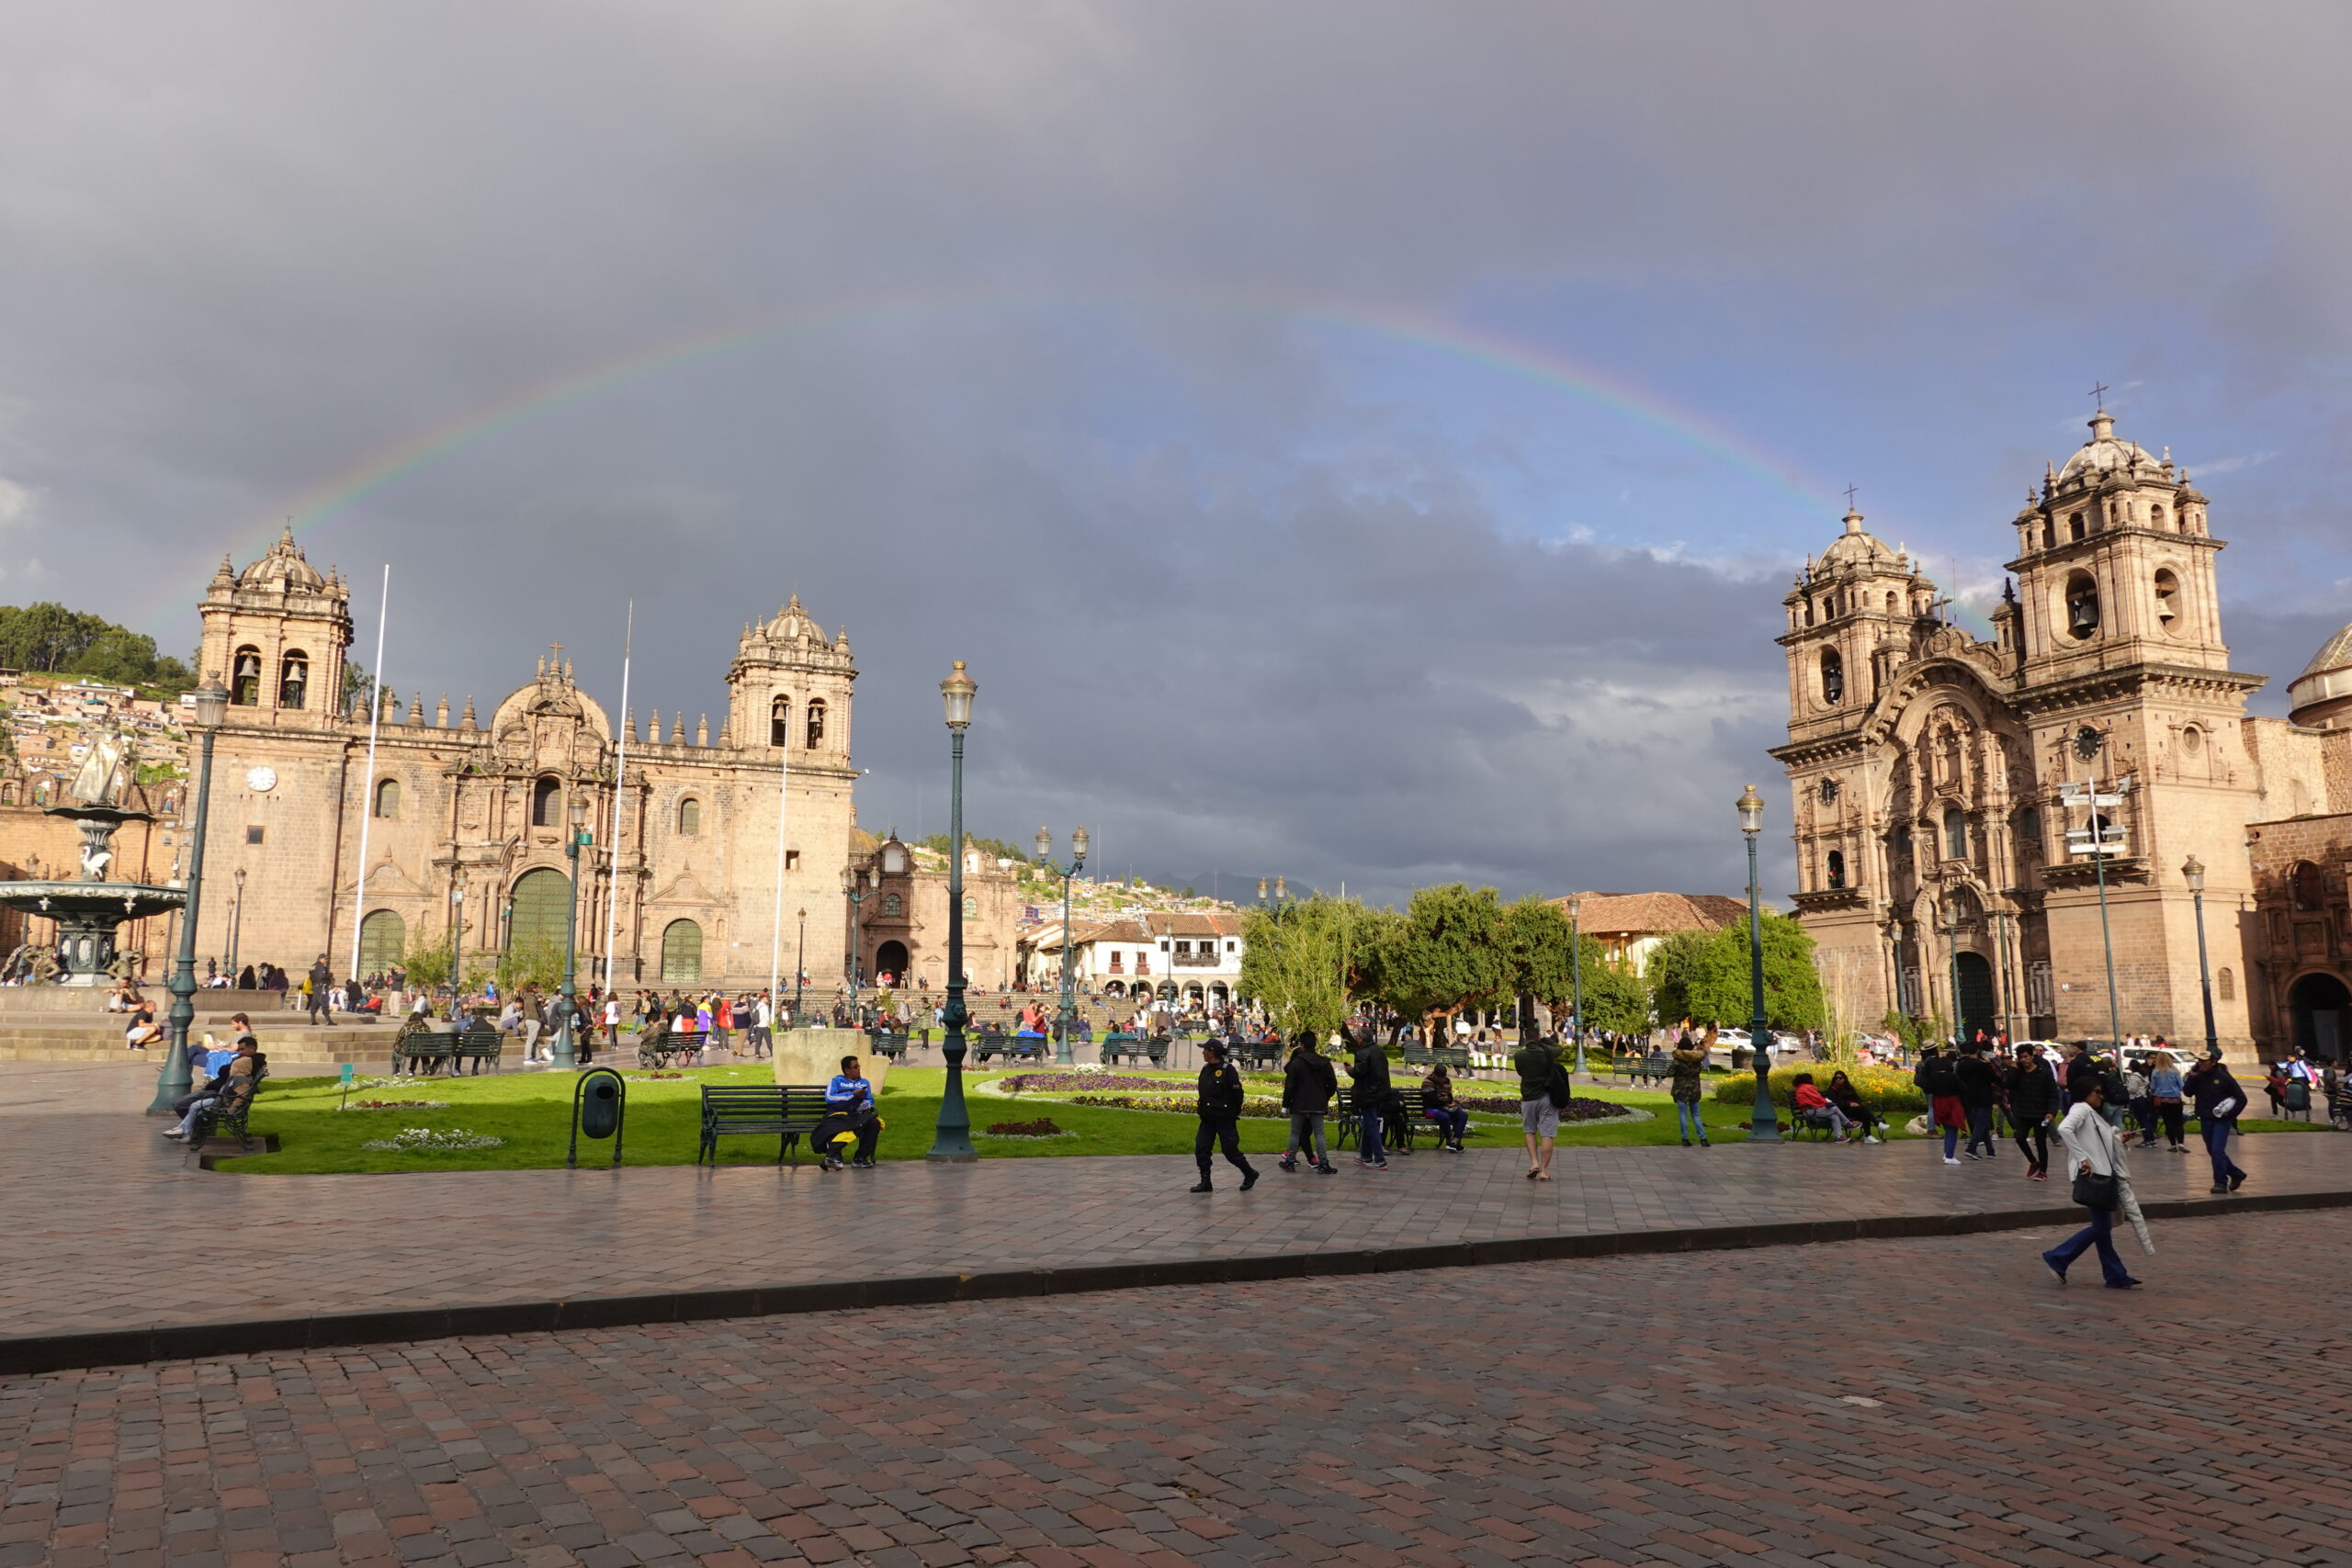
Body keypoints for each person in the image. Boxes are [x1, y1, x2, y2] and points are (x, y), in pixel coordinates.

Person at [2041, 1077, 2141, 1289]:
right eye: (2097, 1091)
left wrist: (2120, 1139)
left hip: (2102, 1174)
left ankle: (2116, 1276)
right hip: (2093, 1176)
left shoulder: (2093, 1115)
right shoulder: (2081, 1109)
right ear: (2085, 1092)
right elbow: (2064, 1129)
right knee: (2101, 1227)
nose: (2101, 1095)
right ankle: (2058, 1256)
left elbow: (2100, 1143)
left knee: (2103, 1229)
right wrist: (2081, 1158)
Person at [1189, 1040, 1259, 1192]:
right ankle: (1205, 1182)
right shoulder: (1206, 1068)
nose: (1203, 1053)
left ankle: (1250, 1173)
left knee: (1230, 1151)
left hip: (1224, 1118)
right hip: (1207, 1118)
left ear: (1212, 1052)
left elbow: (1237, 1094)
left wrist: (1233, 1113)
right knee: (1201, 1149)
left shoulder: (1228, 1070)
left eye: (1205, 1050)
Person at [2188, 1052, 2249, 1194]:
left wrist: (2230, 1114)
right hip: (2205, 1119)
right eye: (2199, 1061)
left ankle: (2220, 1182)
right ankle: (2236, 1173)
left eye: (2204, 1061)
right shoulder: (2198, 1077)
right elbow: (2187, 1093)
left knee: (2216, 1150)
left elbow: (2241, 1098)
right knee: (2213, 1151)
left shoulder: (2224, 1077)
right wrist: (2191, 1078)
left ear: (2213, 1062)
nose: (2201, 1063)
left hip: (2221, 1120)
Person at [1277, 1032, 1338, 1174]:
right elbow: (1332, 1084)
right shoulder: (1325, 1063)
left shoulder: (1297, 1064)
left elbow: (1290, 1086)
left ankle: (1290, 1161)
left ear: (1302, 1046)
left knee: (1295, 1133)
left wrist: (1286, 1104)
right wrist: (1325, 1096)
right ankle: (1323, 1163)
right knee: (1319, 1134)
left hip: (1299, 1102)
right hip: (1318, 1102)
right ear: (1314, 1045)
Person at [1511, 1031, 1565, 1181]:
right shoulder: (1547, 1053)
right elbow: (1559, 1049)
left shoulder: (1519, 1056)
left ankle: (1534, 1162)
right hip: (1547, 1096)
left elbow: (1521, 1072)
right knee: (1547, 1134)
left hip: (1528, 1097)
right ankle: (1544, 1171)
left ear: (1525, 1039)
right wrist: (1547, 1040)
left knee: (1529, 1131)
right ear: (1538, 1039)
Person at [812, 1055, 881, 1170]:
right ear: (847, 1070)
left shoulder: (864, 1082)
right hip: (837, 1115)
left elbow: (869, 1100)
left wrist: (862, 1104)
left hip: (855, 1115)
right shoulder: (836, 1081)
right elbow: (830, 1097)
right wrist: (852, 1094)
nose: (859, 1068)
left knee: (874, 1123)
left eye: (859, 1066)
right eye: (855, 1067)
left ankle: (860, 1158)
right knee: (848, 1124)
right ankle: (833, 1156)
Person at [2006, 1045, 2056, 1179]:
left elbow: (2052, 1093)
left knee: (2041, 1142)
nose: (2023, 1060)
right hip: (2022, 1112)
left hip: (2041, 1113)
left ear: (2032, 1056)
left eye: (2026, 1056)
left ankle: (2043, 1171)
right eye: (2020, 1057)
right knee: (2020, 1138)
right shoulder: (2018, 1073)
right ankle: (2034, 1162)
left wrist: (2052, 1111)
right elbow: (2009, 1085)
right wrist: (2015, 1070)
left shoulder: (2044, 1072)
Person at [1348, 1029, 1393, 1171]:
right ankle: (1366, 1155)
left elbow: (1359, 1073)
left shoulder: (1362, 1053)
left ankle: (1379, 1159)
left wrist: (1350, 1070)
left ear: (1362, 1039)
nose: (1356, 1038)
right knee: (1369, 1123)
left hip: (1368, 1094)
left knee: (1371, 1125)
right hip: (1380, 1092)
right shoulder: (1378, 1050)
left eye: (1358, 1036)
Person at [1919, 1046, 1966, 1166]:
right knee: (1952, 1129)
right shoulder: (1952, 1076)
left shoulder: (1933, 1077)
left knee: (1947, 1128)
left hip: (1938, 1102)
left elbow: (1927, 1088)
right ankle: (1949, 1155)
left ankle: (1947, 1153)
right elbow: (1963, 1088)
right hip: (1951, 1102)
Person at [1956, 1045, 1999, 1160]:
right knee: (1981, 1122)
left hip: (1970, 1096)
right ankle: (1972, 1147)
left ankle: (1990, 1150)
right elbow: (1993, 1078)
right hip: (1984, 1096)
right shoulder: (1981, 1065)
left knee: (1982, 1122)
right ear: (1978, 1051)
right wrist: (1989, 1064)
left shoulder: (1961, 1065)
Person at [1668, 1032, 1710, 1147]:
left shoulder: (1678, 1060)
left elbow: (1669, 1073)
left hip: (1680, 1090)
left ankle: (1685, 1138)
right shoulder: (1697, 1060)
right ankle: (1703, 1138)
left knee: (1683, 1114)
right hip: (1694, 1090)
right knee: (1696, 1114)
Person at [1421, 1063, 1470, 1152]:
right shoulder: (1427, 1082)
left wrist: (1447, 1099)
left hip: (1445, 1108)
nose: (1441, 1080)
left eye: (1442, 1077)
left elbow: (1450, 1097)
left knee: (1463, 1115)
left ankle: (1456, 1141)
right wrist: (1445, 1101)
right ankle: (1449, 1141)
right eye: (1439, 1078)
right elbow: (1433, 1101)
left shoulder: (1447, 1081)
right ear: (1434, 1074)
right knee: (1444, 1116)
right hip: (1430, 1110)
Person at [1825, 1070, 1883, 1144]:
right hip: (1842, 1111)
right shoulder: (1832, 1089)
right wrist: (1849, 1104)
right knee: (1864, 1110)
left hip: (1854, 1109)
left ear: (1844, 1079)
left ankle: (1868, 1136)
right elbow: (1836, 1103)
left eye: (1840, 1078)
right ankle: (1876, 1125)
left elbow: (1858, 1098)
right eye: (1836, 1078)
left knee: (1865, 1114)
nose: (1838, 1079)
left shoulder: (1849, 1088)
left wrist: (1856, 1103)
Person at [2148, 1050, 2188, 1152]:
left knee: (2168, 1122)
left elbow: (2153, 1086)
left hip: (2162, 1100)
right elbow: (2181, 1086)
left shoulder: (2156, 1072)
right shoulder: (2174, 1072)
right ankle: (2181, 1144)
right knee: (2178, 1123)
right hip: (2175, 1099)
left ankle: (2173, 1145)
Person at [307, 954, 336, 1027]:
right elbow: (322, 976)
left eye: (327, 959)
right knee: (324, 1002)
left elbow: (311, 977)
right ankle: (328, 1020)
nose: (326, 960)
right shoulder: (321, 966)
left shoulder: (313, 966)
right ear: (320, 959)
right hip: (321, 987)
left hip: (315, 987)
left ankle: (313, 1020)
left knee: (315, 1003)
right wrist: (329, 975)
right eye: (325, 959)